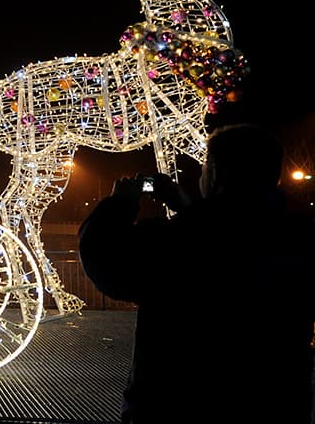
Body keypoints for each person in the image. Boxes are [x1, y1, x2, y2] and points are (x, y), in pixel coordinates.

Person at [78, 123, 315, 424]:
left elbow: (107, 262)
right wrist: (188, 208)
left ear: (215, 174)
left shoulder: (178, 240)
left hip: (176, 405)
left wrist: (120, 204)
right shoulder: (300, 236)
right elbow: (230, 237)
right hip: (276, 404)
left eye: (204, 167)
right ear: (274, 175)